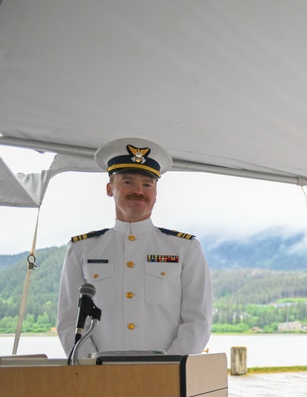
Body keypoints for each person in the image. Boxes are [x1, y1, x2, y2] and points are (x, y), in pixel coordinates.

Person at [57, 137, 212, 357]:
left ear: (156, 194)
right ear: (110, 188)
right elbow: (69, 320)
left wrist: (169, 367)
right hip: (100, 377)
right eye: (128, 182)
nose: (139, 190)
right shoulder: (82, 249)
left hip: (167, 377)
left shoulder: (184, 248)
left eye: (147, 184)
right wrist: (90, 366)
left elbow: (198, 320)